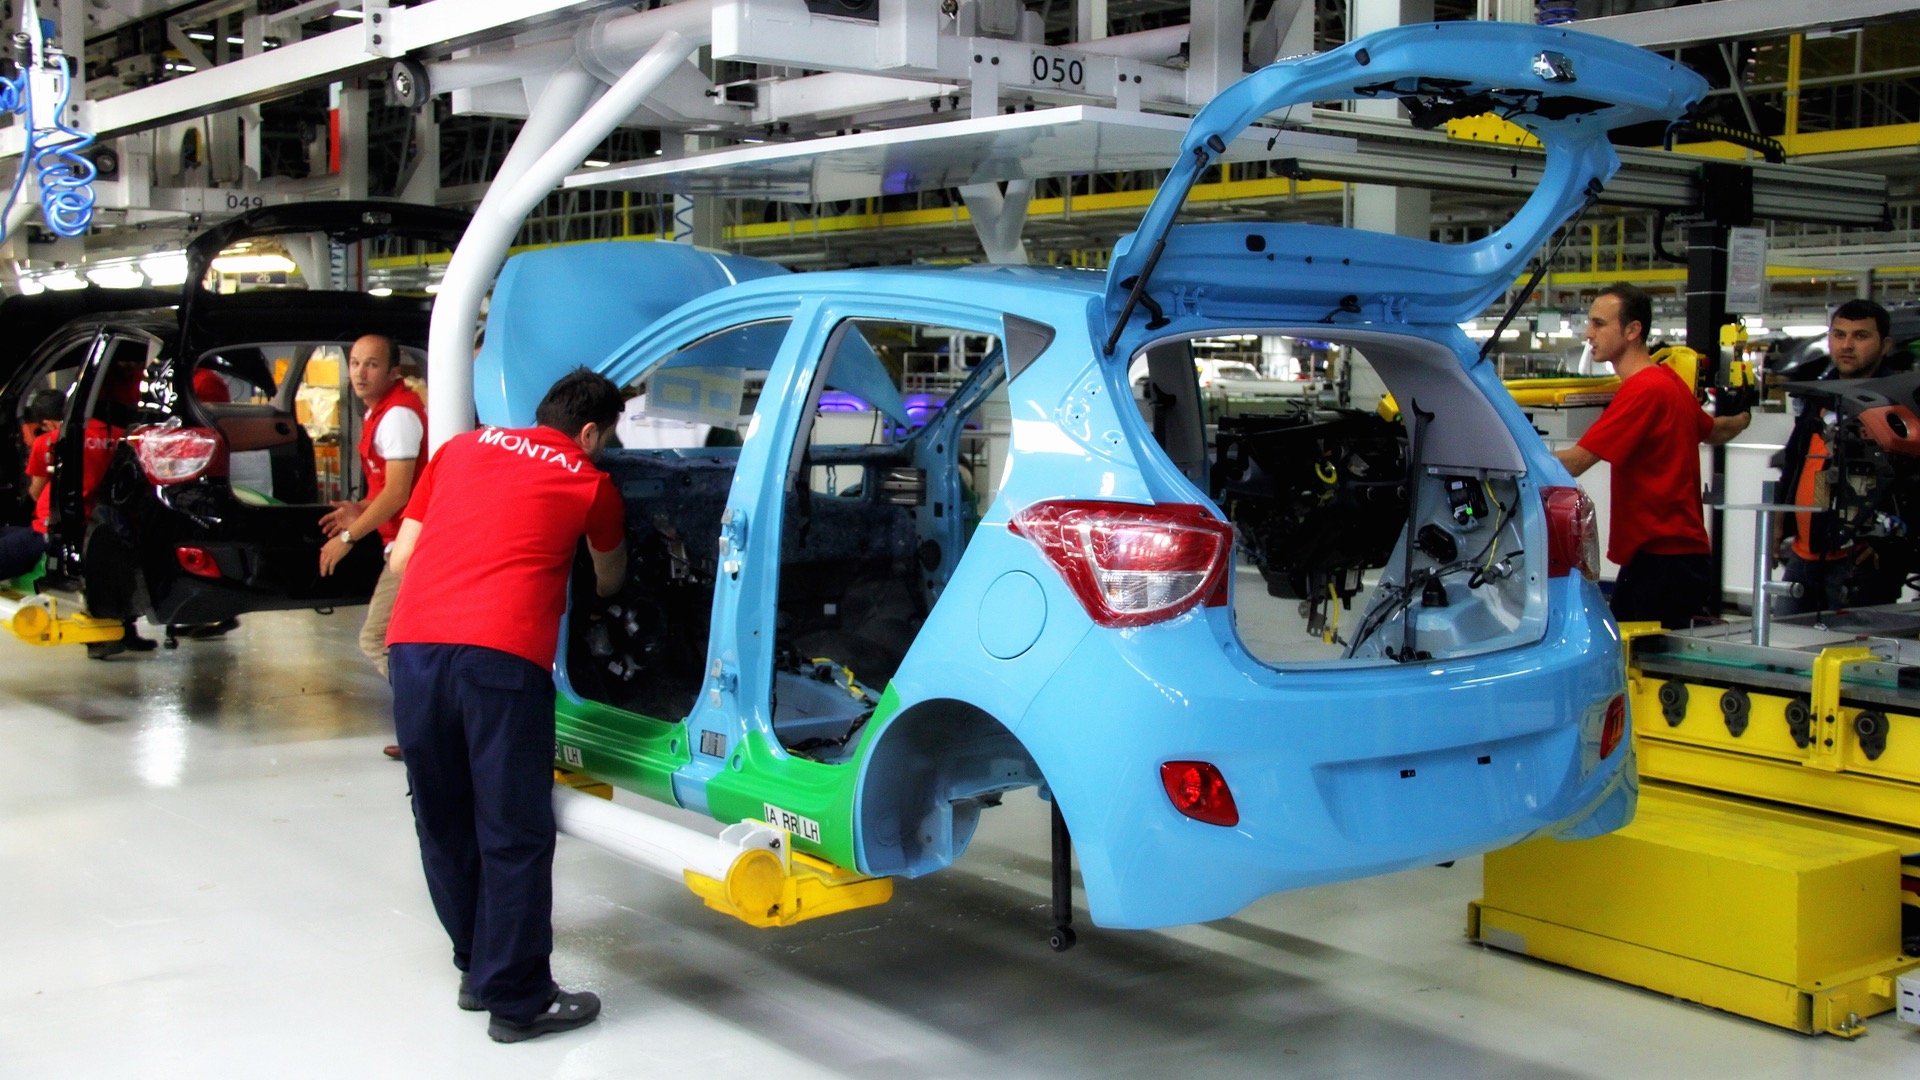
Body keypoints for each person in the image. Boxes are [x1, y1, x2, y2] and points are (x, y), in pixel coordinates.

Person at [383, 368, 627, 1044]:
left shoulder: (458, 450)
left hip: (415, 649)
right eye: (608, 438)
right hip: (502, 658)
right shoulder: (590, 482)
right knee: (512, 828)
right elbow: (609, 579)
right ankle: (519, 1001)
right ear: (589, 432)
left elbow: (402, 560)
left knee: (443, 816)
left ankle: (476, 967)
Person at [1554, 283, 1752, 629]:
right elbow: (1716, 431)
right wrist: (1746, 415)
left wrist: (1504, 464)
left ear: (1633, 330)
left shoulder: (1643, 390)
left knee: (1636, 654)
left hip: (1663, 562)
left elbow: (1578, 461)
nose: (1588, 334)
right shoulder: (1668, 382)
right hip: (1666, 558)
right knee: (1626, 648)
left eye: (1599, 324)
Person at [316, 335, 424, 758]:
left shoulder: (397, 417)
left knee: (378, 636)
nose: (360, 373)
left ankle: (433, 725)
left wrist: (349, 537)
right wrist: (360, 508)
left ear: (394, 371)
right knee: (404, 640)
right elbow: (391, 489)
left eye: (372, 364)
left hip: (414, 544)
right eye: (355, 363)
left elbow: (399, 493)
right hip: (403, 540)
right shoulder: (379, 412)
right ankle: (429, 727)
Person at [1775, 299, 1908, 612]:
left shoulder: (1897, 402)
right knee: (1786, 637)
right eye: (1839, 335)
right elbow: (1796, 463)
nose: (1847, 345)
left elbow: (1910, 478)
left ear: (1885, 345)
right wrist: (1778, 524)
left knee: (1849, 642)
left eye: (1860, 336)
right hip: (1804, 554)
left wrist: (1889, 544)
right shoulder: (1819, 395)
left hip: (1860, 562)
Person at [0, 391, 67, 581]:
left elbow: (35, 491)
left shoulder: (46, 442)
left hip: (45, 532)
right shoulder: (100, 436)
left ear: (46, 424)